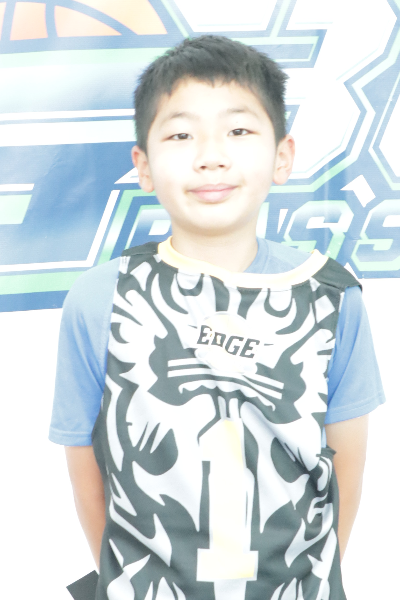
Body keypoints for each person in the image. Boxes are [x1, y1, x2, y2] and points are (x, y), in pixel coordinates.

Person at [49, 36, 385, 600]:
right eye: (181, 135)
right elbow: (86, 470)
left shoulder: (330, 297)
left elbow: (346, 471)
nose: (211, 156)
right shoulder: (101, 298)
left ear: (283, 157)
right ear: (143, 165)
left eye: (239, 131)